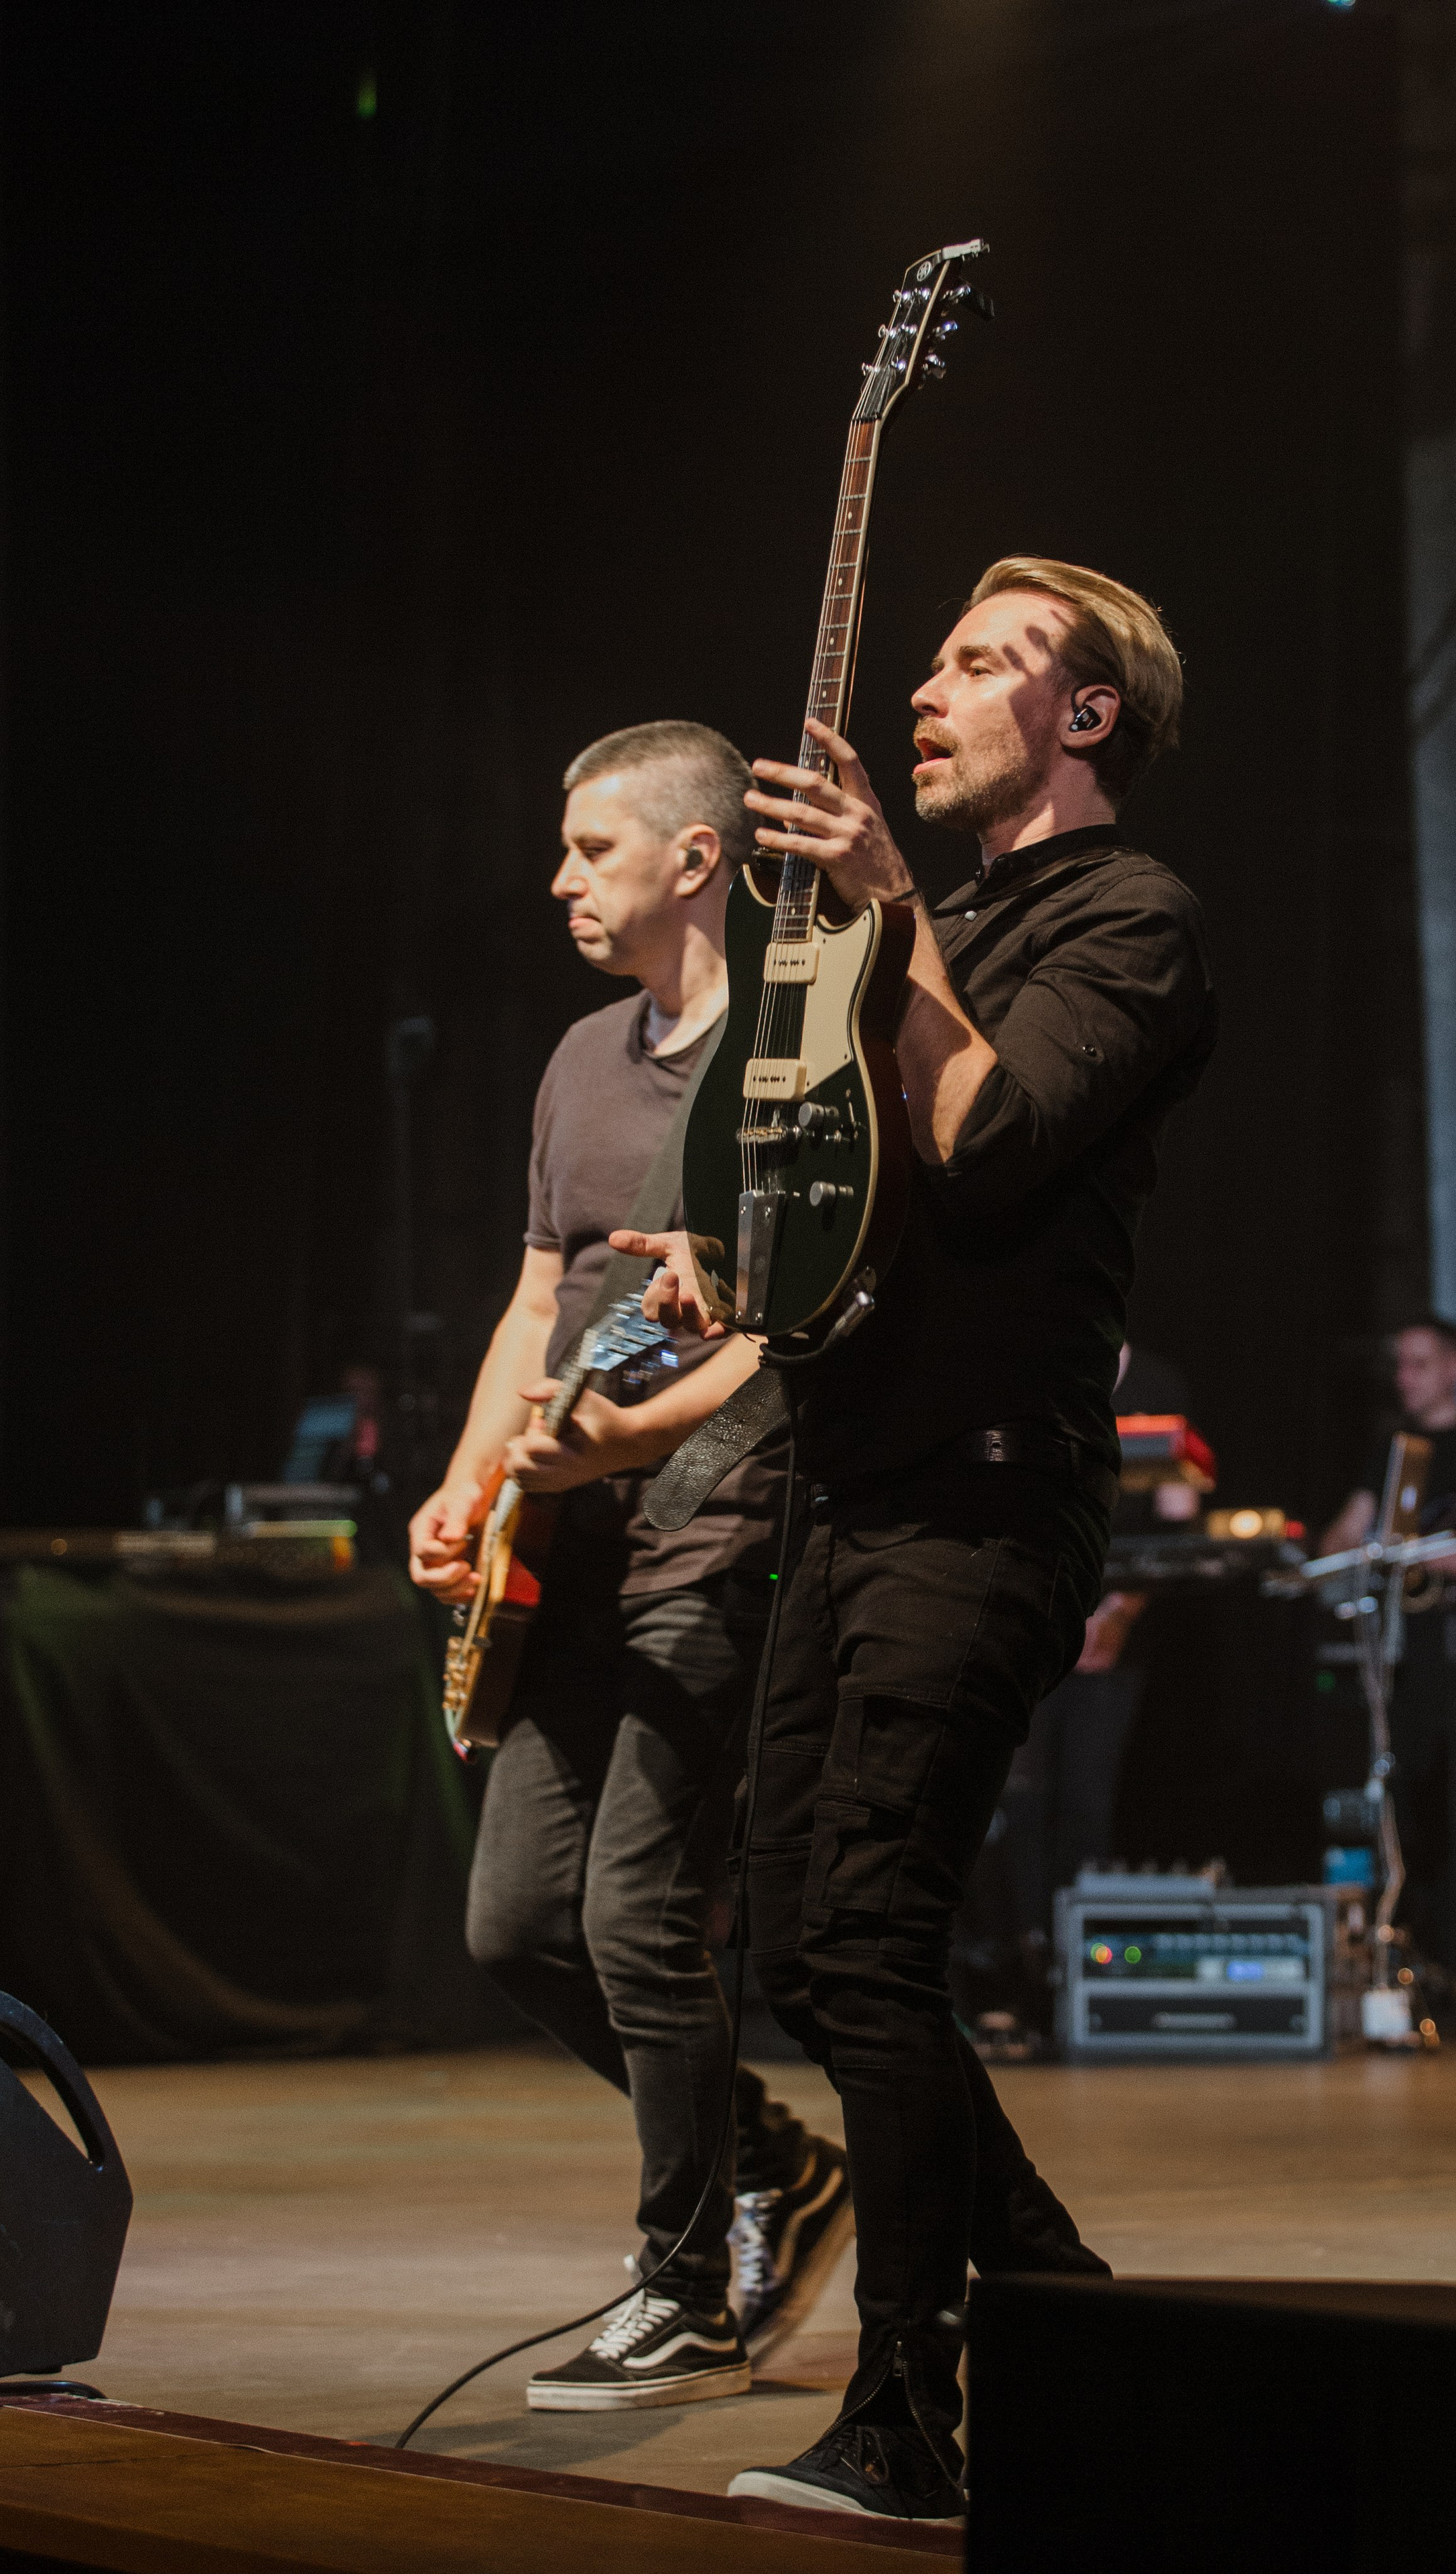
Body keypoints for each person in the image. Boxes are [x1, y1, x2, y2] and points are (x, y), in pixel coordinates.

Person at [622, 560, 1217, 2520]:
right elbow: (878, 1201)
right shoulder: (939, 922)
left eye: (980, 661)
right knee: (808, 1943)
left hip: (983, 1491)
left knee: (868, 1940)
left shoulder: (1126, 916)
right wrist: (735, 1270)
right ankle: (1056, 2301)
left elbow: (988, 1131)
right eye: (936, 658)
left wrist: (884, 911)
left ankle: (908, 2410)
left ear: (1086, 714)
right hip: (863, 1487)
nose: (929, 690)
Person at [408, 722, 851, 2412]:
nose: (561, 878)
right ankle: (766, 2160)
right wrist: (468, 1490)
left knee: (638, 1912)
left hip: (717, 1531)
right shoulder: (581, 1055)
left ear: (691, 858)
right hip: (567, 1552)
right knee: (515, 1921)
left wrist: (636, 1441)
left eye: (592, 848)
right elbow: (536, 1303)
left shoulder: (789, 1058)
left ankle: (682, 2286)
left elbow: (791, 1326)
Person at [1321, 1314, 1456, 1964]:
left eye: (1419, 1363)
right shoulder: (1392, 1453)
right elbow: (1341, 1533)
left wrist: (1428, 1554)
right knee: (1396, 1812)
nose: (1405, 1378)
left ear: (1455, 1367)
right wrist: (1350, 1553)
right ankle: (1399, 1960)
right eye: (1399, 1366)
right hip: (1393, 1660)